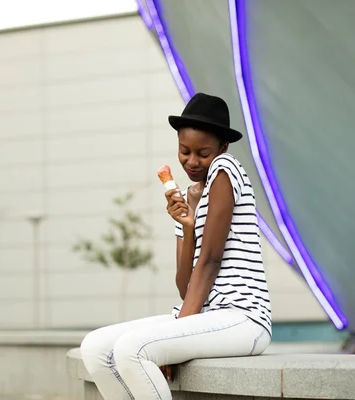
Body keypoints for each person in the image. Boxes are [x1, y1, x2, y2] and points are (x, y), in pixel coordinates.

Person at [80, 92, 272, 400]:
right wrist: (188, 226)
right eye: (184, 151)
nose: (192, 162)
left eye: (203, 153)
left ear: (222, 148)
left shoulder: (226, 168)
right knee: (95, 347)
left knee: (132, 350)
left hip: (244, 318)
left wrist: (175, 336)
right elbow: (185, 287)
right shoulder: (187, 198)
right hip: (206, 317)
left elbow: (210, 260)